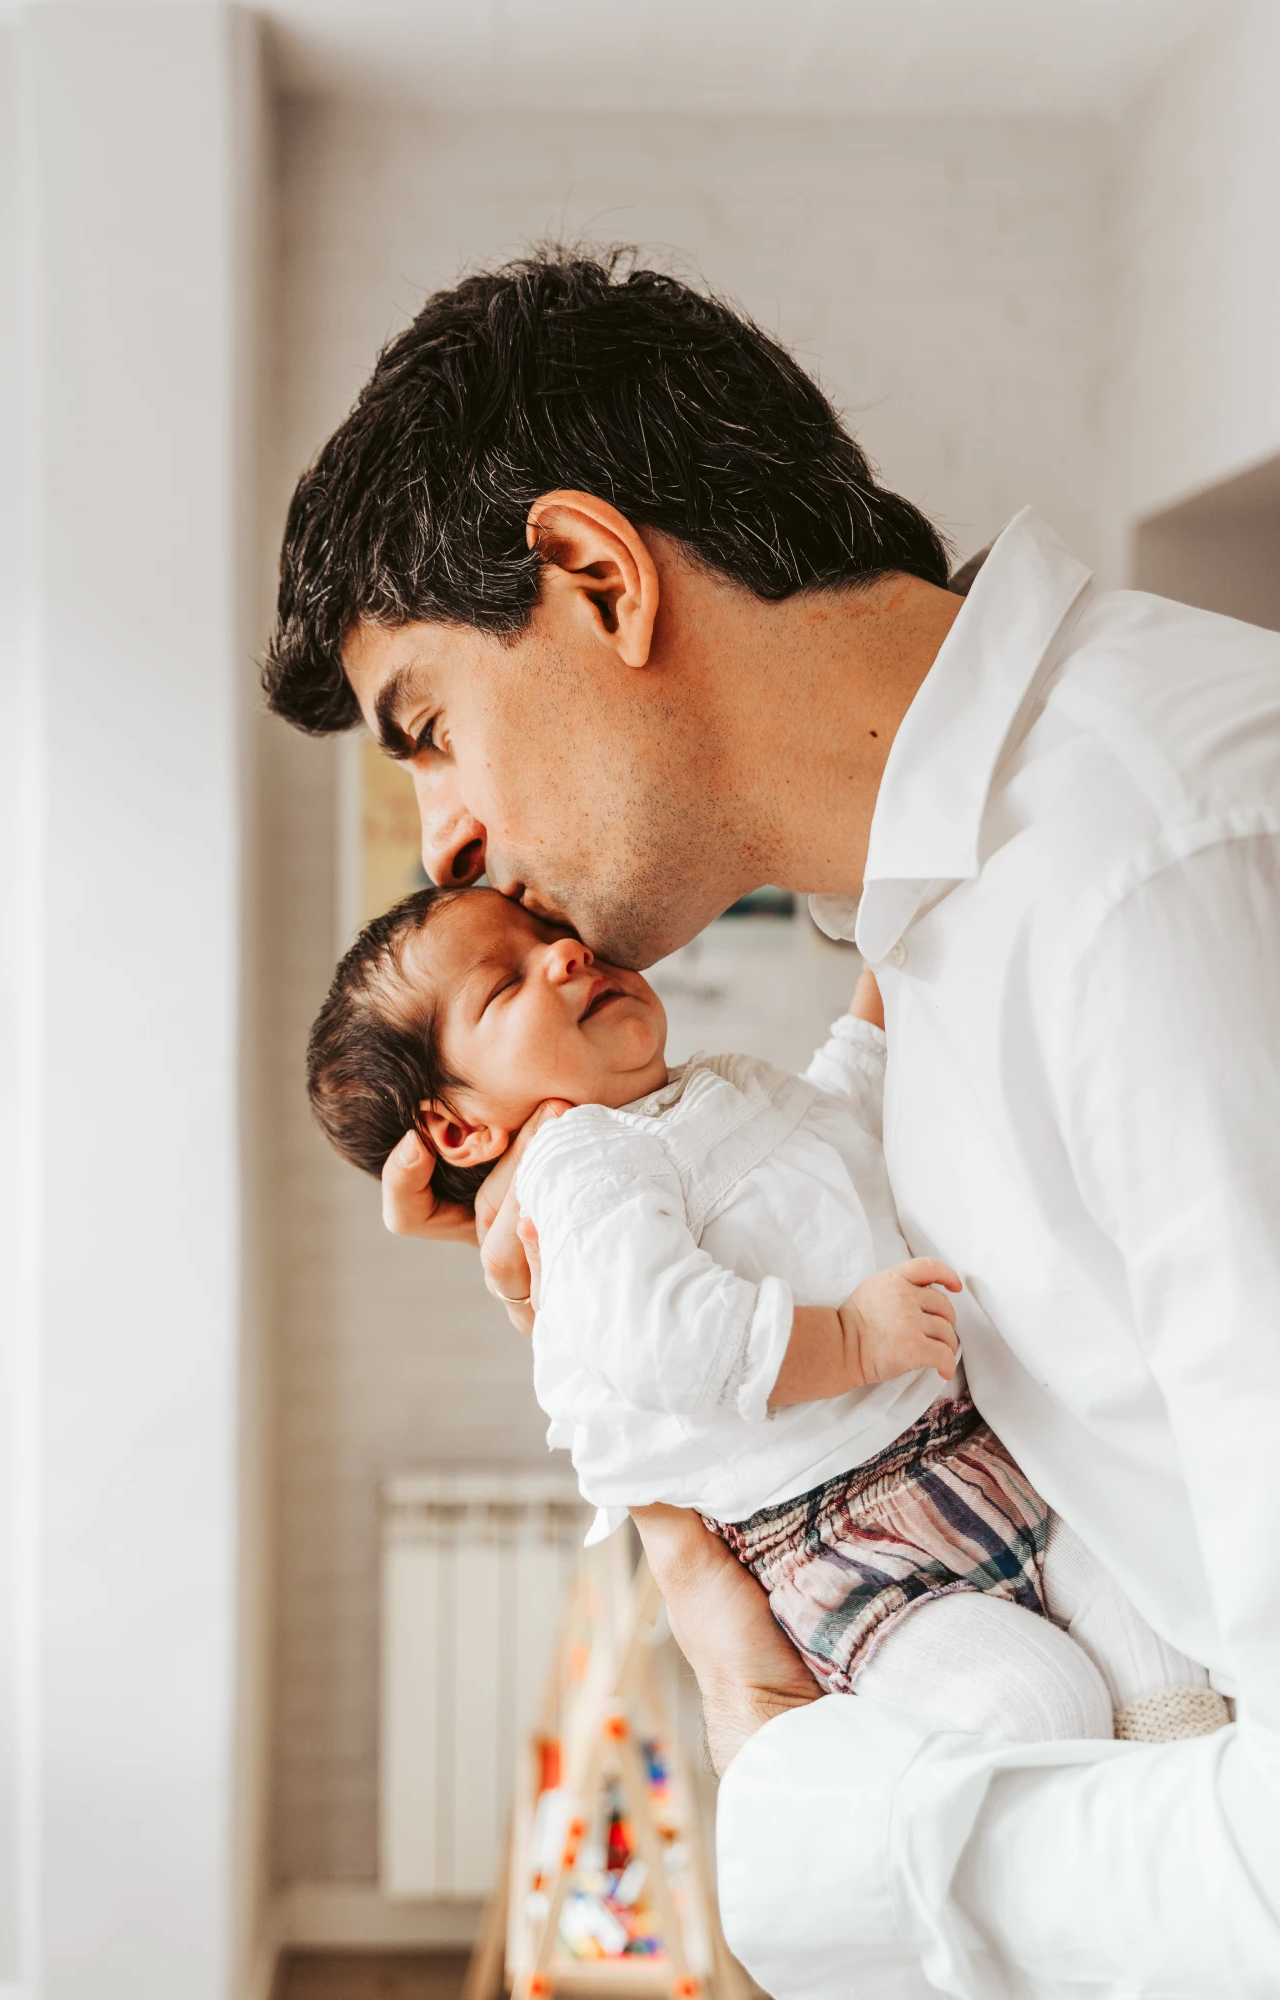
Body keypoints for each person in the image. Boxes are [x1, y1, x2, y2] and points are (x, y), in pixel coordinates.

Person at [264, 250, 1280, 1994]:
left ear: (595, 577)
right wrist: (578, 1226)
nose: (439, 842)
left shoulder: (1145, 877)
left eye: (426, 730)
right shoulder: (949, 929)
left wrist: (797, 1805)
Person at [304, 880, 1214, 1742]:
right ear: (459, 1131)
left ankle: (1177, 1810)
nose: (568, 954)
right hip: (849, 1540)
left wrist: (882, 977)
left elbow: (842, 1117)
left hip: (980, 1462)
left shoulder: (708, 1090)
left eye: (552, 936)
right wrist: (851, 1341)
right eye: (505, 982)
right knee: (1036, 1705)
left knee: (1159, 1641)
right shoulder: (576, 1165)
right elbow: (668, 1342)